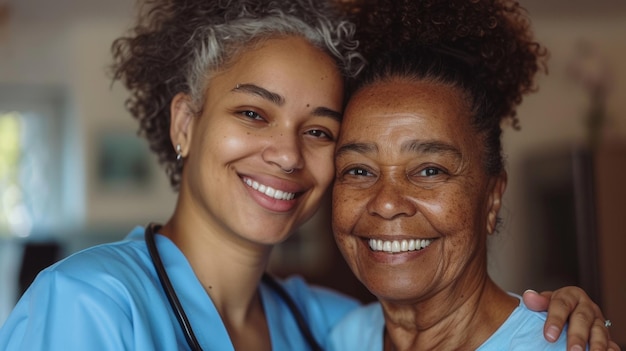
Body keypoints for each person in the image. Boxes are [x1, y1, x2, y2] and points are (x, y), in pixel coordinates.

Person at [0, 0, 616, 350]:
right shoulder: (87, 306)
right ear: (186, 122)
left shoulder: (326, 325)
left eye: (319, 130)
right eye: (252, 112)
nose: (289, 154)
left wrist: (557, 320)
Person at [329, 0, 619, 350]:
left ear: (492, 197)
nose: (387, 203)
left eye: (429, 170)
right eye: (359, 170)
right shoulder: (346, 336)